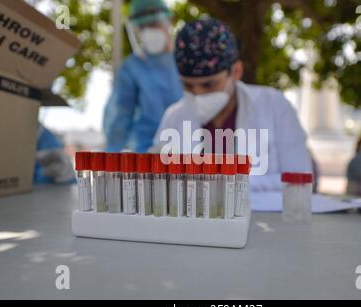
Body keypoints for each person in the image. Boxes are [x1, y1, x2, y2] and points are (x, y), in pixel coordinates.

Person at [151, 18, 312, 191]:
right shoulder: (174, 117)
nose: (197, 94)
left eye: (208, 85)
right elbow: (154, 181)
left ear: (236, 72)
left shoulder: (274, 106)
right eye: (188, 86)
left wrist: (223, 184)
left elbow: (300, 180)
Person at [103, 0, 182, 153]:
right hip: (146, 154)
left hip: (191, 153)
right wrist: (112, 158)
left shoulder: (188, 61)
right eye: (142, 27)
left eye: (153, 24)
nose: (149, 31)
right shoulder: (132, 68)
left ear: (168, 21)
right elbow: (120, 117)